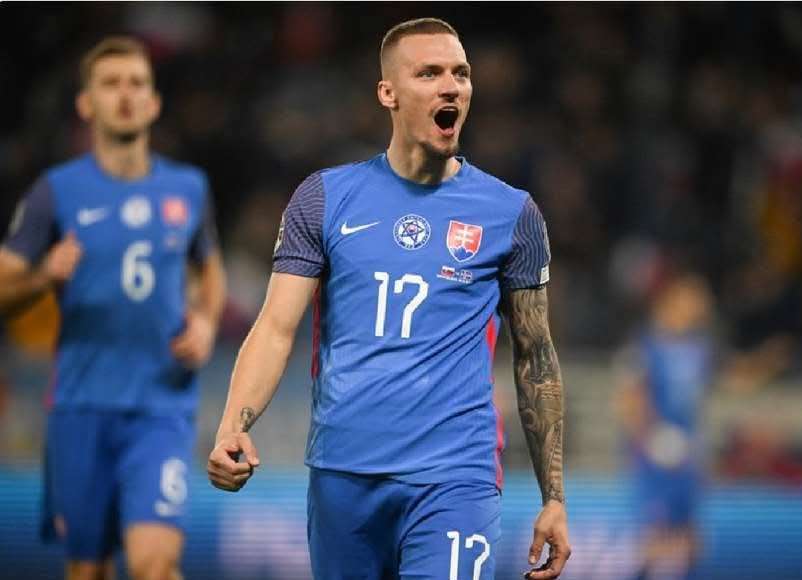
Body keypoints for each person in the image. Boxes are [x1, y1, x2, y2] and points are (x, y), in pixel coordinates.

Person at [207, 17, 571, 580]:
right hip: (343, 473)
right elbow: (276, 327)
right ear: (388, 92)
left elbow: (535, 357)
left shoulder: (511, 214)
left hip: (456, 476)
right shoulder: (324, 199)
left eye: (461, 73)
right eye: (429, 73)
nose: (451, 86)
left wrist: (554, 497)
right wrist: (234, 424)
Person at [0, 37, 226, 580]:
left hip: (161, 408)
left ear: (154, 102)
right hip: (81, 406)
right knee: (88, 570)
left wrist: (205, 320)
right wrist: (44, 275)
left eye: (136, 83)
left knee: (156, 564)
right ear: (86, 103)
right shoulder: (56, 192)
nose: (125, 95)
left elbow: (210, 268)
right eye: (110, 84)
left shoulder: (188, 188)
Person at [615, 272, 715, 580]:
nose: (700, 305)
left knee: (691, 537)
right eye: (692, 297)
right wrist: (650, 437)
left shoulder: (701, 348)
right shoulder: (643, 346)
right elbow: (629, 399)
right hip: (654, 454)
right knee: (654, 537)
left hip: (687, 452)